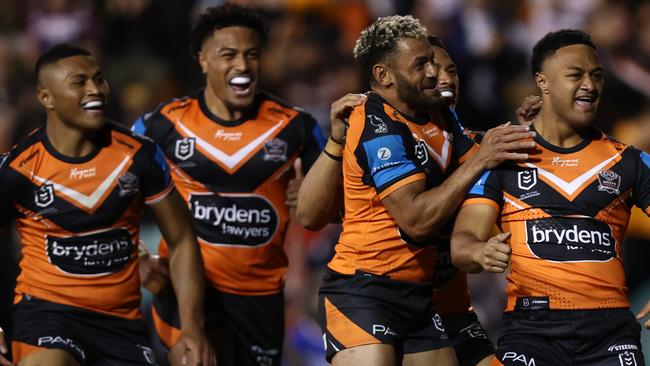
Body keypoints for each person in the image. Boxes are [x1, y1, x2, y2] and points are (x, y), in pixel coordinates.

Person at [312, 15, 535, 365]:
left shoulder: (442, 121)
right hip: (368, 290)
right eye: (423, 64)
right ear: (384, 75)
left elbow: (487, 163)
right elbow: (415, 220)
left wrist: (533, 131)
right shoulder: (377, 122)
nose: (436, 74)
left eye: (444, 66)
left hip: (423, 298)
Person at [132, 4, 325, 366]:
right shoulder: (161, 126)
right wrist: (138, 254)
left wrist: (315, 196)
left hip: (260, 297)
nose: (243, 65)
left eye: (252, 54)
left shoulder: (296, 128)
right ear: (202, 60)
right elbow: (114, 189)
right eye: (229, 55)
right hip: (189, 292)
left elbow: (336, 207)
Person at [0, 44, 214, 366]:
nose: (95, 89)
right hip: (47, 315)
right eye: (80, 82)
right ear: (46, 98)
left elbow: (182, 239)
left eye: (99, 79)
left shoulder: (139, 155)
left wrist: (193, 329)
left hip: (121, 325)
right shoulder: (17, 169)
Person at [451, 29, 650, 365]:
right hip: (531, 333)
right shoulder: (503, 158)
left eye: (596, 75)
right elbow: (462, 243)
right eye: (576, 75)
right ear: (542, 82)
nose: (590, 84)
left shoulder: (629, 160)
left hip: (610, 334)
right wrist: (481, 252)